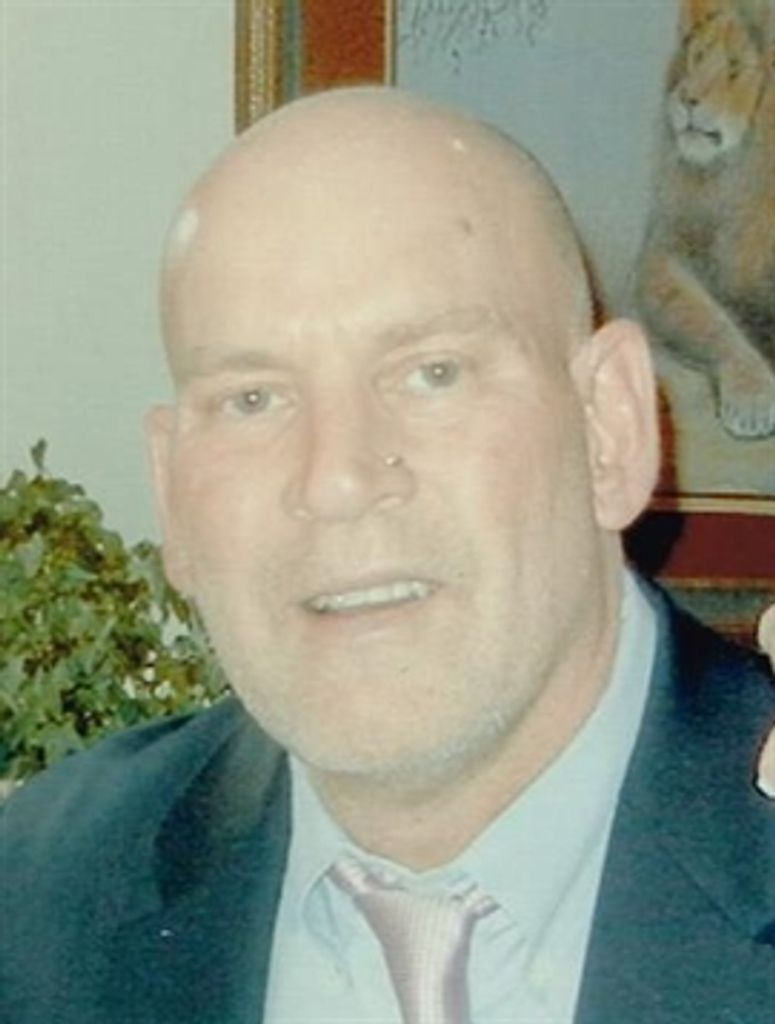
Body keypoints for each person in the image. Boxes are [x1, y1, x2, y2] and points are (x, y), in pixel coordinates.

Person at [1, 87, 774, 1024]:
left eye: (431, 373)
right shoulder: (38, 900)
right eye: (252, 399)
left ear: (608, 428)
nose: (335, 479)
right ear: (172, 495)